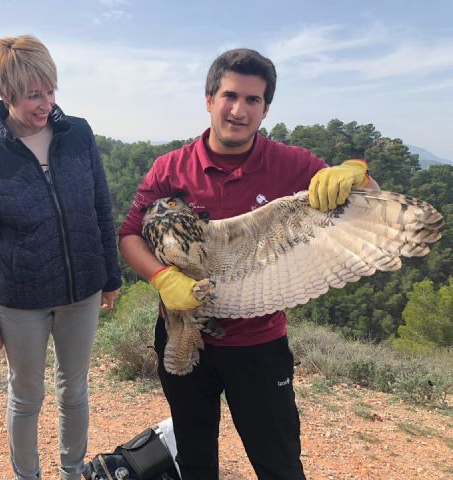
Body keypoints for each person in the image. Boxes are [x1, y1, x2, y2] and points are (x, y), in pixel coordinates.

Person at [119, 48, 379, 480]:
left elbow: (368, 208)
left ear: (265, 109)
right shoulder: (171, 168)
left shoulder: (291, 165)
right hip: (186, 331)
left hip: (259, 342)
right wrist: (162, 277)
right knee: (196, 458)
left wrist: (357, 174)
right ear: (209, 99)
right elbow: (129, 234)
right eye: (229, 96)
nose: (238, 110)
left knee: (277, 461)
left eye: (252, 100)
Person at [0, 35, 122, 480]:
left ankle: (72, 472)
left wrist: (111, 275)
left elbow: (100, 208)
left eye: (50, 90)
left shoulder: (78, 134)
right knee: (26, 395)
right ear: (4, 93)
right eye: (34, 95)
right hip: (21, 300)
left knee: (76, 390)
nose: (47, 103)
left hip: (82, 289)